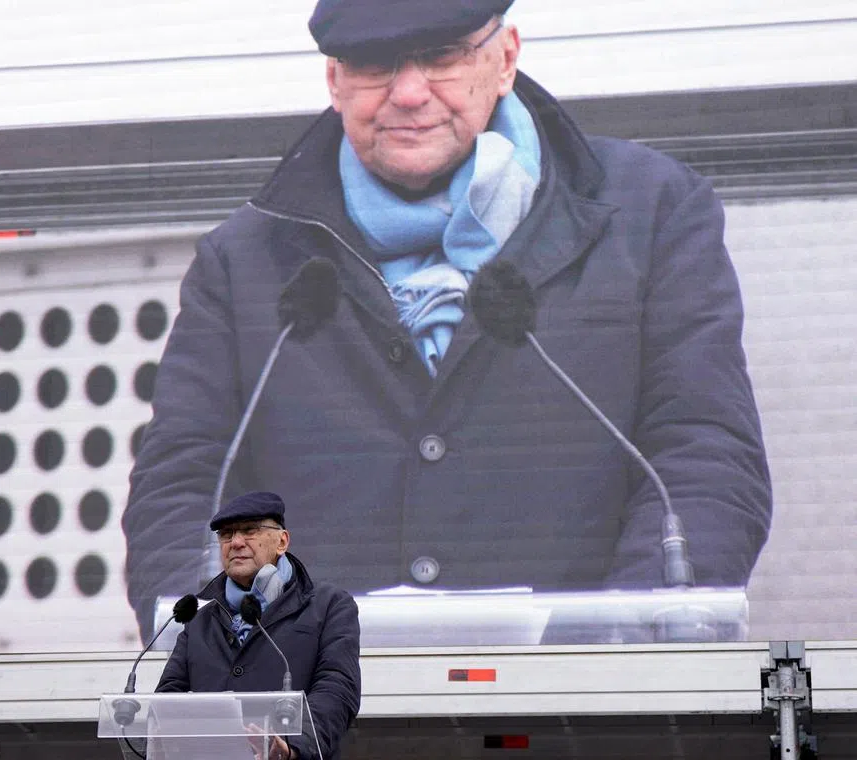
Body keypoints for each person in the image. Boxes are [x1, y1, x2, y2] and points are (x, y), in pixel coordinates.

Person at [123, 0, 772, 641]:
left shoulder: (651, 214)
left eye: (441, 56)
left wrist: (621, 651)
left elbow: (702, 455)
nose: (409, 93)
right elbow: (185, 489)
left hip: (583, 714)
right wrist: (233, 644)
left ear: (506, 58)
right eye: (376, 63)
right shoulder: (242, 262)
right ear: (335, 79)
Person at [155, 491, 361, 760]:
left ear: (282, 541)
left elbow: (337, 688)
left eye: (250, 530)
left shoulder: (328, 606)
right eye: (226, 534)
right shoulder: (199, 621)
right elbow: (167, 701)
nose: (236, 542)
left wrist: (292, 745)